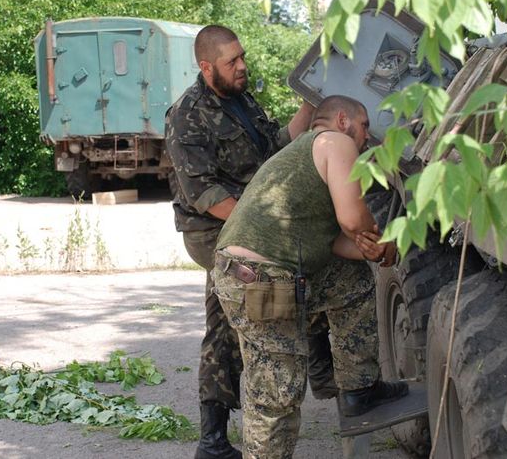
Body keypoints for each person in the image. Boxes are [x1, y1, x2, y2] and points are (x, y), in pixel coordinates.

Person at [212, 95, 409, 458]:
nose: (368, 136)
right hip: (262, 280)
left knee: (352, 281)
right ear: (343, 120)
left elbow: (333, 242)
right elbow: (353, 220)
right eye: (365, 125)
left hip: (254, 273)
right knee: (277, 395)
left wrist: (371, 251)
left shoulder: (306, 155)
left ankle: (359, 389)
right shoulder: (336, 142)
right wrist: (385, 242)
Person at [164, 25, 318, 459]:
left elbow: (276, 148)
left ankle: (213, 440)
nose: (242, 66)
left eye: (242, 56)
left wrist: (312, 102)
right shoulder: (187, 114)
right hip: (212, 228)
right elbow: (204, 194)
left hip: (248, 220)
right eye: (231, 61)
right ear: (206, 66)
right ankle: (215, 437)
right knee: (242, 309)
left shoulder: (242, 100)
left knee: (225, 318)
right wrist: (261, 226)